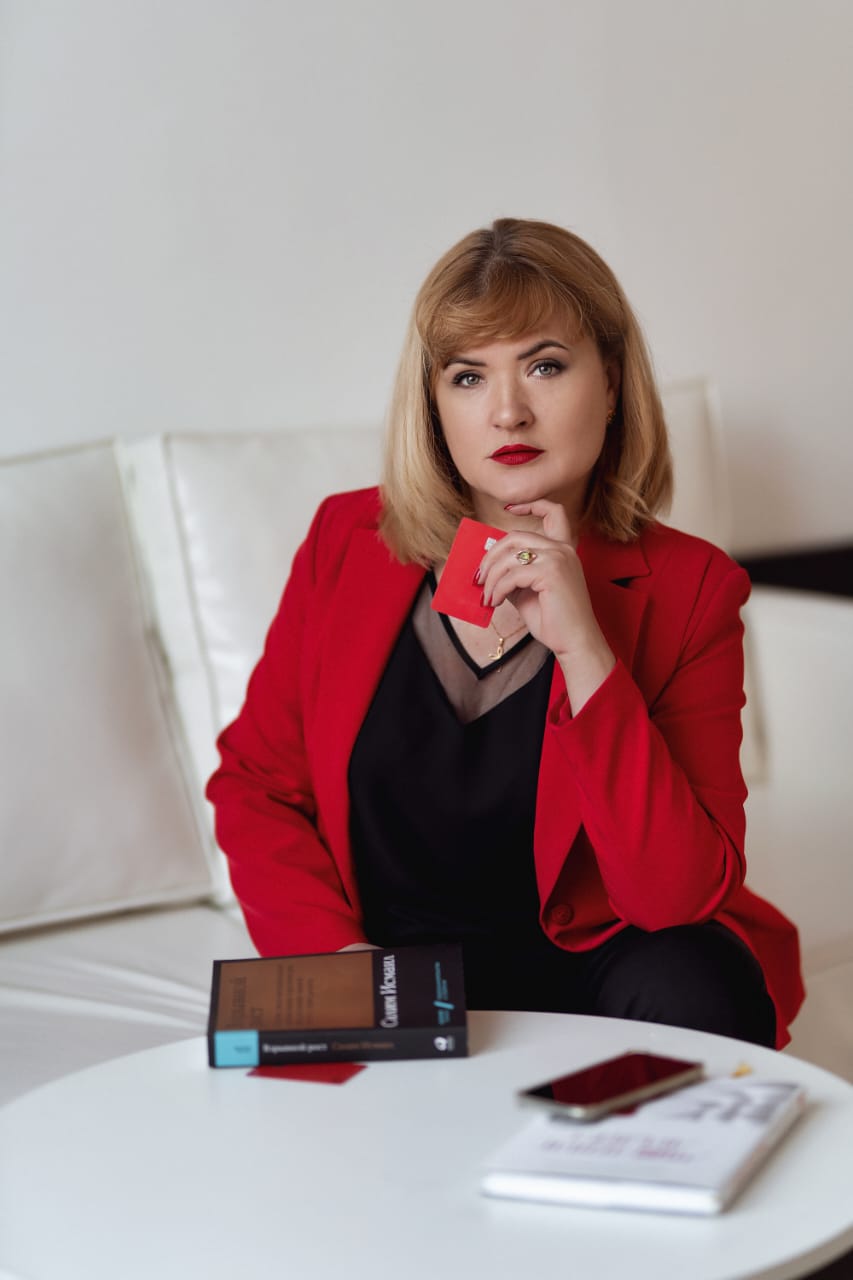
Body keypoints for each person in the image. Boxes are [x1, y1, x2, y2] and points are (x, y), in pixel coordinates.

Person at [206, 217, 804, 1049]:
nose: (508, 412)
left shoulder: (688, 586)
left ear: (611, 383)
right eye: (467, 376)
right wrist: (340, 963)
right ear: (432, 404)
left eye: (544, 365)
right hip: (398, 964)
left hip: (594, 958)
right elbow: (257, 786)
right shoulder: (348, 540)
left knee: (700, 984)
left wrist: (585, 650)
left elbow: (672, 897)